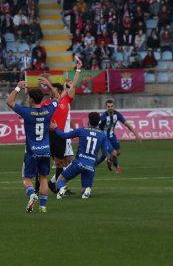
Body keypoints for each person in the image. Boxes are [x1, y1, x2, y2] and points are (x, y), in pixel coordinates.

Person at [6, 79, 59, 213]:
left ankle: (31, 194)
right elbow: (58, 97)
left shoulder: (27, 112)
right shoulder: (48, 110)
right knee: (43, 178)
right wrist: (49, 85)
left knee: (27, 178)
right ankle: (43, 206)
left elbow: (9, 102)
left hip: (32, 151)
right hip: (46, 151)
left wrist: (18, 88)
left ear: (30, 99)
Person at [42, 60, 82, 194]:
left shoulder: (65, 100)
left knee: (64, 163)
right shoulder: (48, 103)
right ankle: (50, 184)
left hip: (63, 136)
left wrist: (78, 70)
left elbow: (74, 86)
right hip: (50, 135)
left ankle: (56, 184)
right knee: (52, 162)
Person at [51, 112, 107, 199]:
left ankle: (62, 188)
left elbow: (64, 135)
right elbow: (104, 154)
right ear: (99, 122)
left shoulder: (82, 130)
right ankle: (86, 191)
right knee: (84, 190)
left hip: (79, 163)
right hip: (91, 166)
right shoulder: (102, 135)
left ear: (89, 121)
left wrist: (56, 128)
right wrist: (97, 163)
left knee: (60, 180)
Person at [99, 100, 142, 174]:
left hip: (112, 136)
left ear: (114, 106)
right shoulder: (103, 117)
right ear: (106, 107)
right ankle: (117, 167)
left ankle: (109, 160)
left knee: (118, 153)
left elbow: (126, 124)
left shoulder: (117, 114)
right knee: (114, 153)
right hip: (104, 138)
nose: (110, 108)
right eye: (108, 107)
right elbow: (97, 128)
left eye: (111, 106)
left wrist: (136, 134)